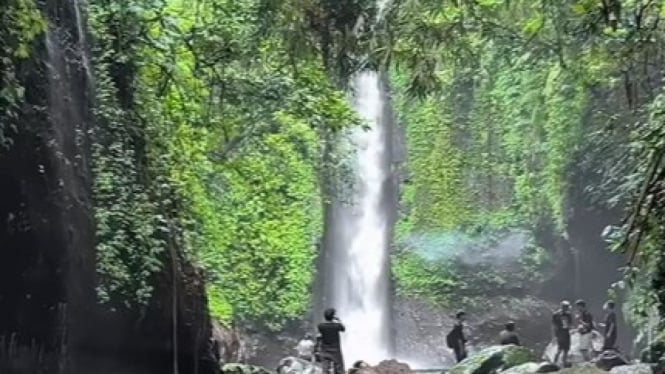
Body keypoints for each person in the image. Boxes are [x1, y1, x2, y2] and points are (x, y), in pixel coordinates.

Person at [317, 308, 345, 374]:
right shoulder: (337, 326)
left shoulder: (320, 326)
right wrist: (338, 320)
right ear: (333, 316)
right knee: (339, 369)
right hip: (336, 350)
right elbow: (343, 329)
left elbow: (320, 335)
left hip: (325, 350)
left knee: (325, 369)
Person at [552, 300, 573, 367]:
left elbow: (569, 324)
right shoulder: (557, 314)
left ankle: (562, 363)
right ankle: (555, 363)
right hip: (562, 334)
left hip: (564, 334)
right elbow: (554, 326)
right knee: (561, 349)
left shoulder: (567, 314)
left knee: (565, 349)